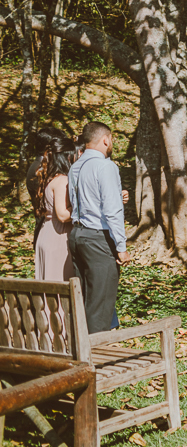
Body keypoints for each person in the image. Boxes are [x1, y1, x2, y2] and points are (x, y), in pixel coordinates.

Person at [66, 122, 130, 333]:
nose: (111, 143)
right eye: (111, 139)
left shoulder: (75, 167)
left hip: (77, 235)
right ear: (105, 139)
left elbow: (84, 202)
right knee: (100, 304)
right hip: (97, 238)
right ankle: (97, 358)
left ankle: (81, 350)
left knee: (85, 297)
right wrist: (121, 246)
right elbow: (111, 211)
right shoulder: (106, 166)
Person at [34, 136, 77, 283]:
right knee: (59, 290)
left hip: (47, 232)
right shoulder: (62, 180)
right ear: (68, 157)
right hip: (59, 237)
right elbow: (63, 215)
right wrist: (86, 207)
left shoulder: (50, 178)